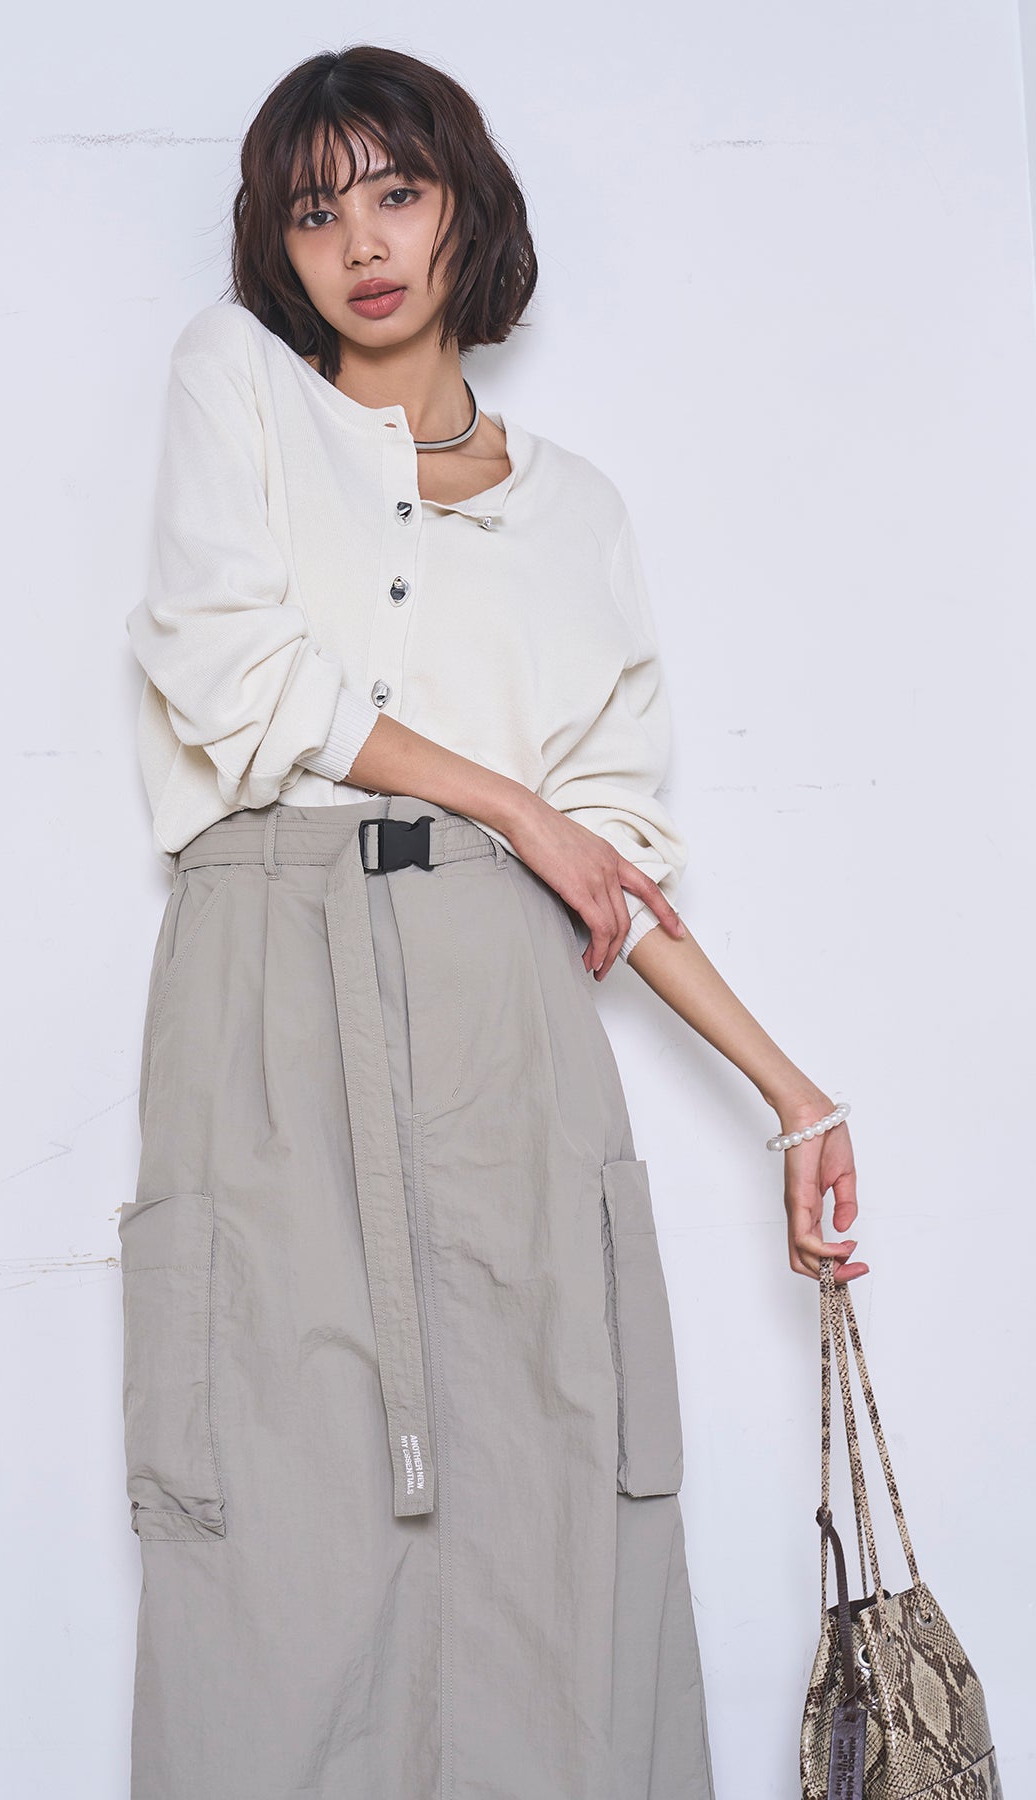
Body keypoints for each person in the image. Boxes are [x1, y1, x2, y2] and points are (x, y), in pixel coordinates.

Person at [118, 43, 862, 1800]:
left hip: (502, 1016)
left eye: (399, 192)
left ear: (469, 207)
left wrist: (792, 1094)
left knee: (557, 1510)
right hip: (267, 986)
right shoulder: (235, 381)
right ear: (275, 247)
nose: (362, 244)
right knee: (271, 1534)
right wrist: (511, 800)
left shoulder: (577, 512)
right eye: (316, 211)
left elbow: (612, 862)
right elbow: (228, 662)